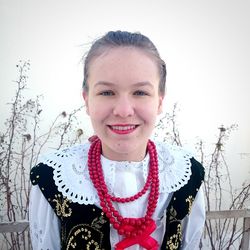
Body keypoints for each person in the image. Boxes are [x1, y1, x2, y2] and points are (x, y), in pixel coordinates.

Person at [29, 30, 205, 250]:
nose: (123, 110)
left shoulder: (187, 175)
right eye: (106, 92)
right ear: (87, 100)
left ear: (160, 101)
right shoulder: (52, 178)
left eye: (140, 92)